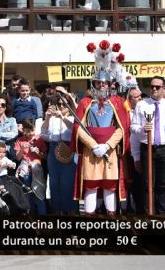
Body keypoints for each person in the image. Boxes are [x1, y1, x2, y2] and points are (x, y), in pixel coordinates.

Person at [72, 42, 131, 216]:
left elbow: (122, 128)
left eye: (104, 84)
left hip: (109, 151)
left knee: (109, 186)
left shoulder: (118, 103)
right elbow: (79, 128)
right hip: (92, 152)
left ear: (110, 84)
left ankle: (111, 219)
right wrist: (93, 145)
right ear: (94, 84)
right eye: (98, 83)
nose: (102, 86)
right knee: (90, 186)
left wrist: (107, 146)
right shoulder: (85, 103)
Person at [131, 76, 165, 214]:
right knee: (148, 185)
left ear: (163, 89)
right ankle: (149, 215)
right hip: (147, 147)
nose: (154, 89)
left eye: (157, 87)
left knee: (164, 185)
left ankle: (162, 215)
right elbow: (133, 127)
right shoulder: (142, 105)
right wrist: (143, 128)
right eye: (152, 86)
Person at [41, 96, 77, 214]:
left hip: (67, 148)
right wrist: (47, 118)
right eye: (59, 104)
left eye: (64, 104)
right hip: (53, 148)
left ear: (69, 106)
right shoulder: (52, 118)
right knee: (54, 182)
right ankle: (57, 211)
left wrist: (63, 118)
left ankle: (70, 210)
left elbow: (74, 130)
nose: (61, 106)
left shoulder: (73, 118)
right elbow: (43, 133)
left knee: (67, 182)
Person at [14, 119, 47, 214]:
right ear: (23, 130)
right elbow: (18, 158)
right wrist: (22, 149)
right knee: (28, 194)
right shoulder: (20, 140)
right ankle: (30, 215)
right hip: (25, 171)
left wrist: (39, 153)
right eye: (28, 131)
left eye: (32, 130)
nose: (30, 133)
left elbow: (45, 157)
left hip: (37, 170)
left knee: (39, 194)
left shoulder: (39, 139)